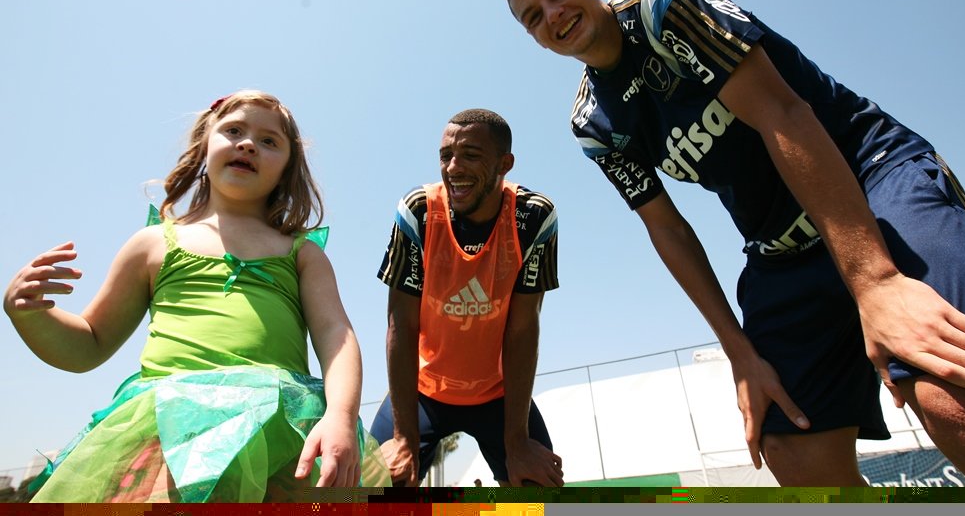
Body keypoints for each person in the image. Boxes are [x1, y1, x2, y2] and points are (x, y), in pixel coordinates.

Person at [500, 0, 965, 486]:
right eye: (534, 17)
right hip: (780, 250)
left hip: (872, 183)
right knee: (795, 457)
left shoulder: (663, 5)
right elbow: (667, 229)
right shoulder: (592, 122)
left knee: (948, 384)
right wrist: (739, 354)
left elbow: (783, 112)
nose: (553, 14)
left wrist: (876, 282)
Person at [4, 90, 388, 502]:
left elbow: (336, 336)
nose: (247, 144)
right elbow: (89, 343)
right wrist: (30, 315)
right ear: (205, 145)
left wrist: (341, 416)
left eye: (269, 141)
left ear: (287, 169)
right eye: (234, 130)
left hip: (279, 432)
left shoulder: (300, 252)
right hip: (171, 429)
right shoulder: (152, 244)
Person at [370, 109, 564, 487]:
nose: (453, 167)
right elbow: (402, 326)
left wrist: (517, 441)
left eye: (471, 155)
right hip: (424, 391)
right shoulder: (418, 211)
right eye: (446, 156)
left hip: (498, 394)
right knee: (376, 486)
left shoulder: (535, 216)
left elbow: (523, 328)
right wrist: (404, 440)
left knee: (537, 491)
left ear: (504, 164)